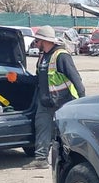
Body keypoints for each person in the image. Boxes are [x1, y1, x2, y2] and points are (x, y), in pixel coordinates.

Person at [23, 25, 85, 169]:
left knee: (65, 132)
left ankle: (70, 159)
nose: (35, 44)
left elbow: (76, 79)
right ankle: (41, 159)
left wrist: (82, 100)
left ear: (44, 41)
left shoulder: (61, 56)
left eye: (37, 41)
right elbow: (38, 79)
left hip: (63, 102)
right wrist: (19, 79)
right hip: (45, 102)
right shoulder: (43, 56)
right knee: (42, 128)